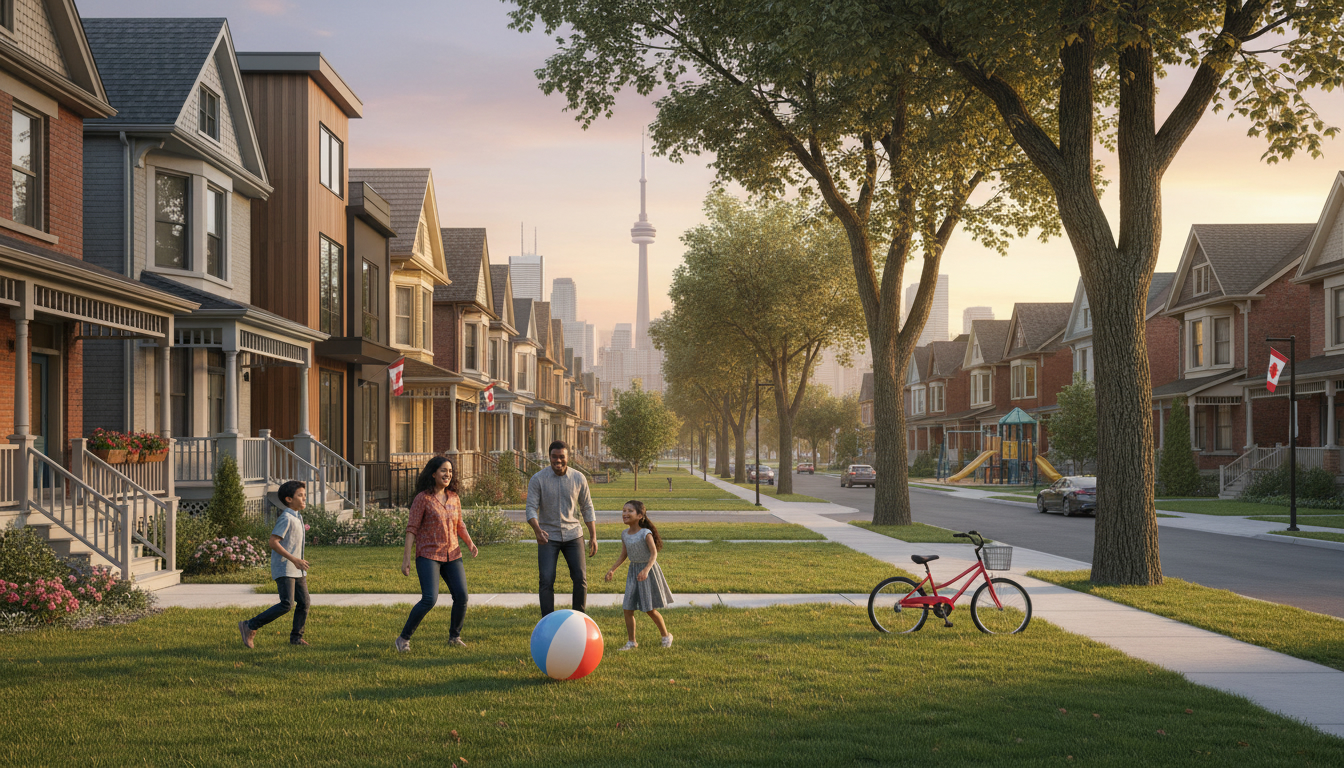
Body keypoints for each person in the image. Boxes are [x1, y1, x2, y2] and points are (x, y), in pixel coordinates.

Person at [394, 456, 478, 653]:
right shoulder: (422, 499)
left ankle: (454, 637)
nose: (447, 474)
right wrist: (406, 560)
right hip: (428, 555)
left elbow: (460, 524)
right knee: (429, 599)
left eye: (450, 471)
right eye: (443, 470)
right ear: (433, 473)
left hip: (453, 554)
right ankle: (403, 638)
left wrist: (470, 543)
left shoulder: (454, 497)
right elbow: (411, 529)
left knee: (462, 596)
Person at [526, 440, 597, 615]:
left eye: (561, 457)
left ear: (568, 458)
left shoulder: (579, 478)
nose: (558, 461)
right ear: (549, 457)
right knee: (546, 580)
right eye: (554, 457)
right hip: (547, 536)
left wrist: (593, 536)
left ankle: (579, 618)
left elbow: (587, 507)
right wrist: (537, 530)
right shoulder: (538, 479)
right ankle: (547, 620)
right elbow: (531, 508)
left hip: (574, 535)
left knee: (580, 579)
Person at [239, 480, 310, 648]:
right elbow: (273, 542)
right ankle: (250, 625)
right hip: (285, 567)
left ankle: (296, 638)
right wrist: (295, 559)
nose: (304, 498)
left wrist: (297, 562)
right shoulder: (286, 518)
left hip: (296, 569)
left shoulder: (297, 517)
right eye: (300, 495)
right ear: (288, 499)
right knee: (287, 604)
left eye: (304, 495)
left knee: (304, 602)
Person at [604, 500, 673, 650]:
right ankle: (632, 642)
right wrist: (612, 569)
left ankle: (666, 636)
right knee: (627, 608)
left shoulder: (645, 533)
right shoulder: (625, 534)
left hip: (647, 572)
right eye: (623, 510)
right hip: (633, 572)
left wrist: (647, 569)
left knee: (649, 609)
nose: (625, 513)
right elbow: (624, 555)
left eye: (630, 511)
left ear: (640, 515)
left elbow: (654, 554)